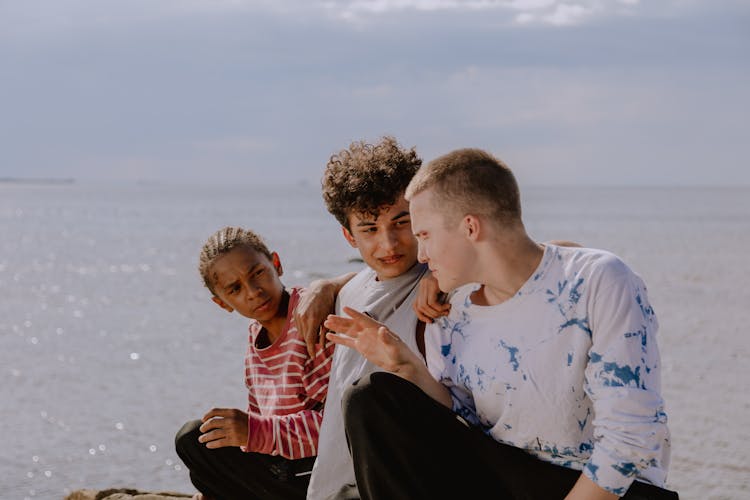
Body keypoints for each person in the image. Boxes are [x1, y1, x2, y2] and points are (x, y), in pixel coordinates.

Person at [325, 148, 678, 499]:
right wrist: (407, 366)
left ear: (470, 227)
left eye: (425, 235)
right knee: (371, 397)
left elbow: (629, 438)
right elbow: (462, 421)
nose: (421, 255)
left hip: (603, 489)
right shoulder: (451, 313)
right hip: (509, 478)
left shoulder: (597, 280)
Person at [304, 136, 430, 500]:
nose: (388, 244)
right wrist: (325, 284)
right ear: (348, 235)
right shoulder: (346, 292)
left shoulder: (443, 284)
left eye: (401, 222)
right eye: (370, 229)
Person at [175, 226, 337, 500]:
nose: (253, 292)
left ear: (276, 264)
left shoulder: (311, 315)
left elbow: (340, 424)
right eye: (235, 289)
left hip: (322, 468)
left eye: (257, 274)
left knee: (190, 437)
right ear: (222, 303)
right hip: (284, 464)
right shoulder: (255, 335)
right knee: (203, 445)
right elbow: (260, 422)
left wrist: (254, 431)